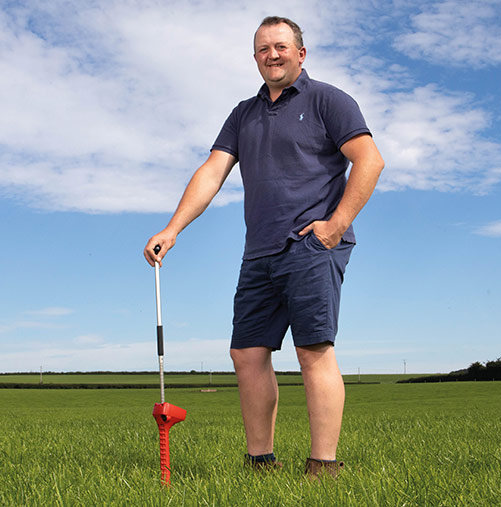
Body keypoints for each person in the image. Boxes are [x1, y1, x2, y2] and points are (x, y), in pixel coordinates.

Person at [143, 16, 384, 479]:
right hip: (259, 251)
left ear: (301, 53)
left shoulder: (328, 101)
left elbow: (369, 160)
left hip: (312, 246)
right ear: (254, 58)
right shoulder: (243, 113)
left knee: (313, 349)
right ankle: (261, 462)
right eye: (262, 49)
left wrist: (335, 226)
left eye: (280, 47)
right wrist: (173, 229)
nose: (271, 55)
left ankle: (323, 466)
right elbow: (213, 171)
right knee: (248, 353)